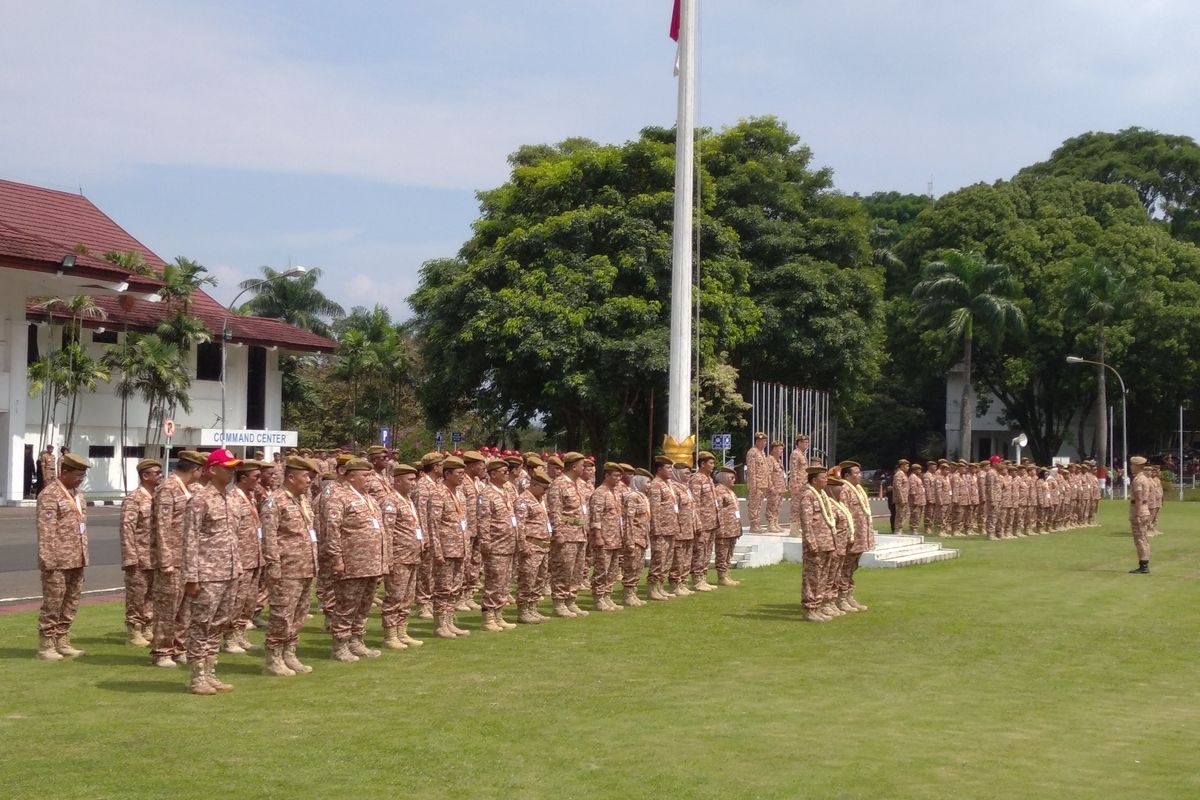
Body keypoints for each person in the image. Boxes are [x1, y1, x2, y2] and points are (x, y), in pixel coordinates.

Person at [182, 448, 245, 695]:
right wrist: (191, 576)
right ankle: (197, 676)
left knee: (218, 624)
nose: (231, 471)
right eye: (226, 467)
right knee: (201, 625)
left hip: (229, 571)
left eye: (233, 467)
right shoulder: (200, 499)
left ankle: (210, 671)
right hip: (207, 573)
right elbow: (190, 538)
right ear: (212, 469)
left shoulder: (231, 498)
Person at [260, 455, 320, 676]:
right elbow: (269, 537)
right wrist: (274, 566)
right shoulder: (275, 501)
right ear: (291, 477)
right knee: (282, 615)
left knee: (299, 614)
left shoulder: (302, 500)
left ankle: (290, 653)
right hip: (286, 569)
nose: (310, 481)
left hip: (305, 567)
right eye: (306, 476)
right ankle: (273, 658)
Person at [325, 457, 388, 660]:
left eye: (370, 475)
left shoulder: (369, 498)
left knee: (364, 604)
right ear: (351, 477)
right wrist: (336, 559)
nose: (369, 479)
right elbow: (332, 531)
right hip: (352, 562)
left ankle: (357, 640)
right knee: (346, 605)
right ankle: (340, 645)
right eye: (365, 475)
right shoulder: (338, 497)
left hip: (371, 562)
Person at [149, 450, 206, 668]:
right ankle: (162, 651)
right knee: (167, 608)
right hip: (172, 559)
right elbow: (162, 528)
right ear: (195, 470)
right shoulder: (168, 489)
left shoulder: (190, 489)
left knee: (185, 608)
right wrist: (165, 561)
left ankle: (179, 648)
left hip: (188, 559)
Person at [35, 452, 91, 661]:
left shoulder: (78, 495)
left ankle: (62, 639)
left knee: (71, 602)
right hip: (57, 561)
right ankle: (46, 645)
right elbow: (46, 531)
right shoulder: (50, 495)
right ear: (64, 472)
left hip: (77, 558)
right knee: (53, 603)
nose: (80, 479)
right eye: (77, 475)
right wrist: (48, 560)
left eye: (83, 475)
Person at [120, 458, 161, 647]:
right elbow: (127, 528)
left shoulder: (159, 497)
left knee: (152, 595)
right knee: (137, 595)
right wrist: (130, 556)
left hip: (156, 556)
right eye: (156, 473)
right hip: (139, 555)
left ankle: (148, 627)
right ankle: (134, 631)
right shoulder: (134, 498)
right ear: (145, 476)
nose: (160, 476)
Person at [224, 460, 263, 656]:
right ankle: (229, 637)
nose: (259, 480)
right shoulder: (233, 498)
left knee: (249, 600)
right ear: (244, 478)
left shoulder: (250, 496)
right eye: (256, 477)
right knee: (236, 600)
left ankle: (240, 634)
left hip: (254, 556)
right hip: (241, 557)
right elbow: (231, 531)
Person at [429, 455, 470, 638]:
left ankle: (450, 621)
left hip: (459, 547)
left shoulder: (459, 493)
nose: (462, 476)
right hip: (445, 549)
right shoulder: (438, 493)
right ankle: (440, 624)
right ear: (447, 474)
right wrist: (437, 550)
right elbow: (433, 524)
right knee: (443, 589)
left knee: (455, 587)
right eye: (459, 473)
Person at [547, 452, 590, 617]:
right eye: (582, 465)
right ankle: (559, 603)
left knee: (577, 570)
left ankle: (571, 600)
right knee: (563, 569)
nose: (584, 468)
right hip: (566, 534)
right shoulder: (559, 484)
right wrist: (557, 532)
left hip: (580, 533)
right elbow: (555, 511)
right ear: (573, 466)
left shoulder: (579, 484)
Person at [479, 458, 519, 630]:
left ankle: (498, 614)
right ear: (493, 474)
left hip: (508, 544)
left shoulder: (505, 491)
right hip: (495, 545)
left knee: (504, 582)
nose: (507, 474)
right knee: (494, 582)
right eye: (504, 472)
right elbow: (484, 521)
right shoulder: (486, 494)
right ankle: (488, 618)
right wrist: (485, 542)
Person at [796, 465, 835, 622]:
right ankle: (809, 609)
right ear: (814, 480)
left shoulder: (822, 494)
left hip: (826, 543)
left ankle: (817, 606)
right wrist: (811, 543)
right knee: (812, 577)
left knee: (822, 577)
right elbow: (806, 523)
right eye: (823, 477)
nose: (826, 479)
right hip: (816, 544)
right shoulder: (808, 496)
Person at [516, 468, 553, 623]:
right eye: (544, 489)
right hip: (531, 546)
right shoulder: (523, 501)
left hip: (543, 546)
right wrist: (523, 546)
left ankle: (533, 607)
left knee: (540, 579)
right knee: (527, 579)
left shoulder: (540, 500)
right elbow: (519, 525)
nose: (545, 493)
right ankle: (523, 611)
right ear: (535, 485)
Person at [588, 462, 626, 612]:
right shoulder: (599, 493)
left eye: (620, 476)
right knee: (601, 570)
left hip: (615, 538)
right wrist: (597, 536)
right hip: (604, 538)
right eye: (615, 475)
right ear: (607, 476)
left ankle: (607, 596)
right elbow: (595, 517)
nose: (618, 478)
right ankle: (598, 598)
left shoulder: (615, 493)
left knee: (613, 570)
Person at [837, 461, 873, 612]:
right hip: (851, 536)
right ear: (847, 475)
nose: (860, 476)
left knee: (852, 567)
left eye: (860, 472)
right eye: (856, 473)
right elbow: (843, 513)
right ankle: (841, 598)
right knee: (845, 567)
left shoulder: (858, 489)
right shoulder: (844, 489)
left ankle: (849, 595)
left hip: (860, 535)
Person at [646, 455, 679, 601]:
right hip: (661, 529)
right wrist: (656, 529)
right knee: (658, 559)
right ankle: (653, 588)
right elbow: (655, 508)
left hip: (670, 528)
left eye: (671, 467)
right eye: (667, 467)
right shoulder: (656, 485)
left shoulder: (668, 484)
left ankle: (660, 586)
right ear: (659, 469)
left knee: (667, 559)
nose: (670, 470)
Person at [688, 451, 719, 591]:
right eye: (710, 463)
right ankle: (697, 578)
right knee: (699, 550)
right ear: (702, 464)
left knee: (707, 551)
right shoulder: (697, 479)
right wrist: (697, 522)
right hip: (703, 522)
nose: (713, 466)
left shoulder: (709, 479)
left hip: (711, 521)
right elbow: (695, 502)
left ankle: (703, 577)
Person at [620, 468, 652, 604]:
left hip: (642, 537)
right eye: (648, 482)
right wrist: (629, 540)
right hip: (634, 537)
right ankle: (628, 594)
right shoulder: (632, 497)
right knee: (631, 566)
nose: (649, 485)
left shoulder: (642, 497)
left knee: (638, 567)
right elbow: (629, 520)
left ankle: (633, 593)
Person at [713, 465, 742, 586]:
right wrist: (720, 528)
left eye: (734, 478)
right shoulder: (719, 491)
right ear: (724, 478)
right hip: (724, 529)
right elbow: (717, 510)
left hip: (733, 529)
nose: (734, 480)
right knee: (722, 553)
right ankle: (722, 576)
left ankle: (727, 574)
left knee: (729, 553)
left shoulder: (730, 491)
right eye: (731, 478)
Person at [1128, 456, 1151, 573]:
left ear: (1137, 466)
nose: (1131, 467)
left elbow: (1138, 498)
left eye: (1132, 465)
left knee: (1140, 539)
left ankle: (1144, 565)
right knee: (1144, 538)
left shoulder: (1138, 480)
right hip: (1145, 509)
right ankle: (1144, 562)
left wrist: (1137, 513)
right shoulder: (1145, 478)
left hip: (1139, 510)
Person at [744, 432, 769, 532]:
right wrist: (753, 485)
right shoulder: (752, 452)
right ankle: (754, 525)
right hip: (757, 484)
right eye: (763, 441)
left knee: (758, 505)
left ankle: (757, 524)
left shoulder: (762, 452)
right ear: (757, 441)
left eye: (765, 441)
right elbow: (751, 470)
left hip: (762, 484)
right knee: (754, 505)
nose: (765, 443)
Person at [788, 435, 811, 535]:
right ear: (799, 443)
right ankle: (794, 529)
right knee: (796, 507)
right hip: (798, 485)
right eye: (805, 442)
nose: (807, 444)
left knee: (801, 507)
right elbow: (794, 471)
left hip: (803, 485)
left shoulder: (802, 454)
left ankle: (798, 527)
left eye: (807, 442)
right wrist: (795, 485)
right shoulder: (796, 454)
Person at [765, 441, 787, 533]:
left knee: (778, 506)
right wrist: (771, 487)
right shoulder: (770, 459)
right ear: (774, 449)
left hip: (780, 488)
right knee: (772, 506)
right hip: (774, 488)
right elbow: (768, 474)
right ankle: (770, 524)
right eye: (780, 449)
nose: (782, 451)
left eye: (782, 449)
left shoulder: (779, 460)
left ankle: (775, 522)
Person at [891, 460, 910, 534]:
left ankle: (900, 529)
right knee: (900, 514)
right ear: (902, 466)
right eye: (906, 466)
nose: (908, 468)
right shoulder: (899, 474)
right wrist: (901, 498)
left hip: (904, 498)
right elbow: (898, 487)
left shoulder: (903, 474)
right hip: (900, 499)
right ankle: (898, 530)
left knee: (903, 514)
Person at [906, 462, 926, 534]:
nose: (920, 471)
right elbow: (912, 490)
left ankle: (915, 528)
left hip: (920, 499)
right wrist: (914, 499)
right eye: (918, 470)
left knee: (919, 515)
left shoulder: (917, 477)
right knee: (915, 514)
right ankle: (913, 528)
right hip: (916, 500)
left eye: (920, 469)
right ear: (914, 470)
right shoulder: (912, 478)